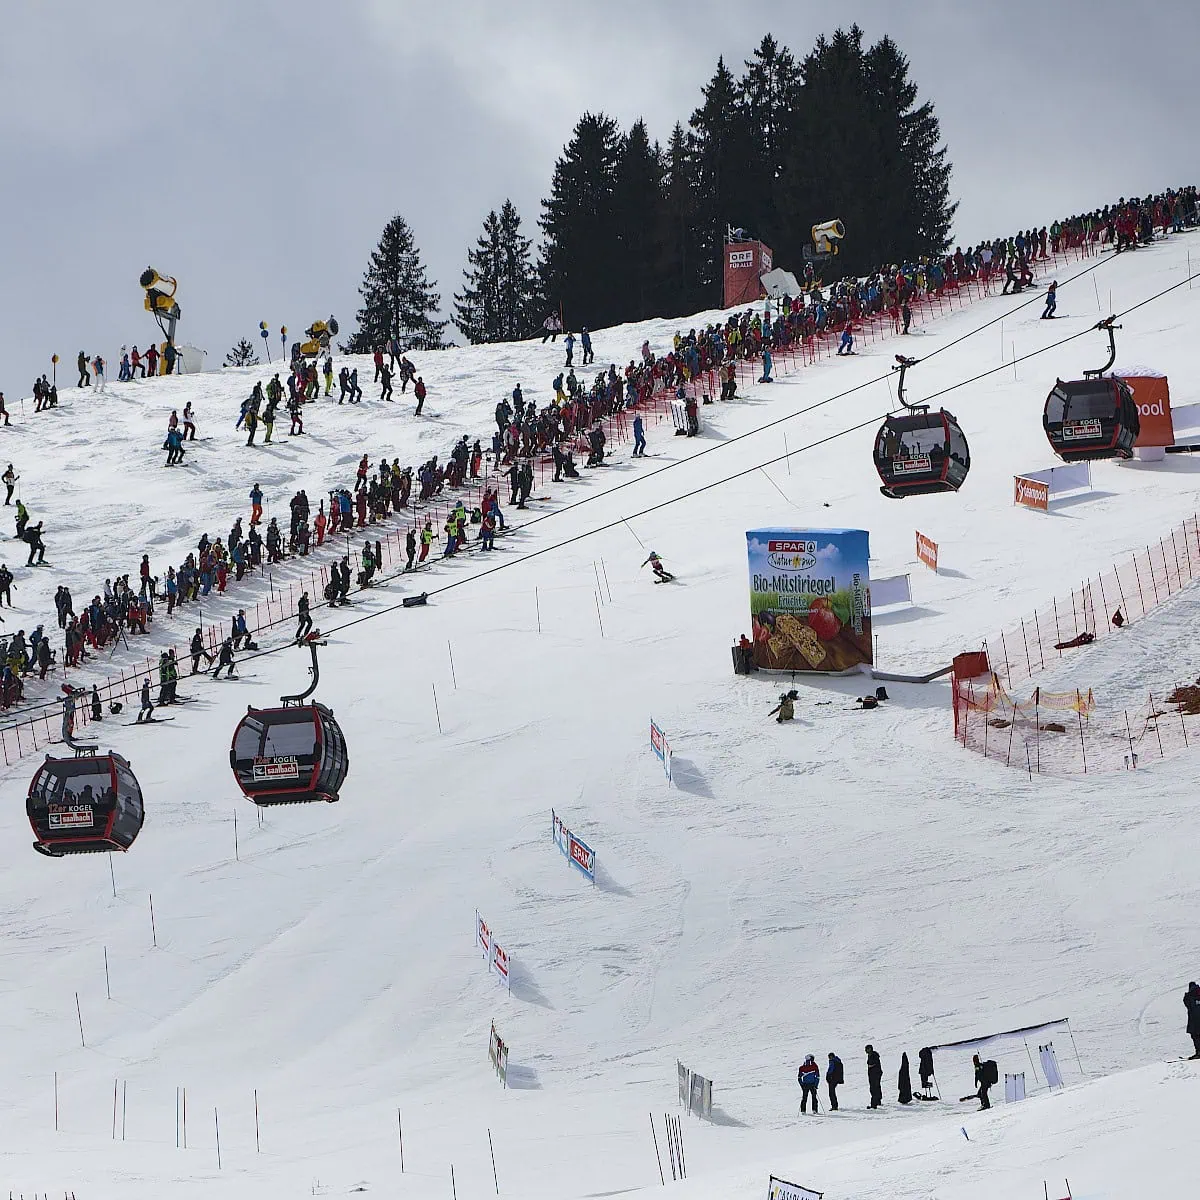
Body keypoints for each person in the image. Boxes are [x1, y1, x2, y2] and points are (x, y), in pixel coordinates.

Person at [1185, 981, 1200, 1059]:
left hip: (1194, 1021)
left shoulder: (1190, 996)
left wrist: (1187, 995)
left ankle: (1198, 1052)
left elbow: (1187, 1004)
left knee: (1195, 1036)